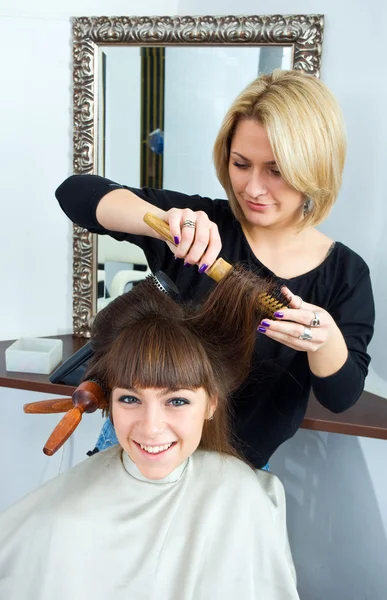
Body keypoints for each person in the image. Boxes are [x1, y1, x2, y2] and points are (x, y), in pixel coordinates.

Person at [56, 69, 375, 469]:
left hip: (237, 470)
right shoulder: (201, 226)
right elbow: (74, 193)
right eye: (241, 164)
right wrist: (163, 221)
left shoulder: (344, 273)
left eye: (276, 171)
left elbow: (340, 397)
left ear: (315, 169)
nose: (253, 188)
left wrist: (325, 341)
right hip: (137, 445)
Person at [0, 269, 299, 600]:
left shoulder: (246, 500)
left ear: (210, 404)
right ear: (110, 403)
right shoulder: (63, 519)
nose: (151, 427)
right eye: (130, 399)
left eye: (176, 400)